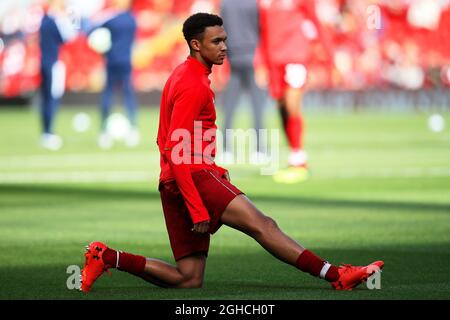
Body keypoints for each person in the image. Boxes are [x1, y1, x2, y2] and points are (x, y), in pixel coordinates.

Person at [80, 13, 383, 293]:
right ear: (196, 45)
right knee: (264, 226)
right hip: (193, 177)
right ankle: (337, 276)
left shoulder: (183, 74)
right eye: (217, 41)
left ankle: (107, 257)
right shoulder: (193, 85)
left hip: (174, 180)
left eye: (225, 39)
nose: (225, 47)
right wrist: (197, 206)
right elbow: (176, 149)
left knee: (188, 279)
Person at [258, 0, 333, 183]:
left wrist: (331, 59)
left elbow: (316, 22)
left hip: (295, 56)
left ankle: (299, 161)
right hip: (273, 61)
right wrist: (260, 62)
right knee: (282, 107)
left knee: (292, 104)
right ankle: (295, 157)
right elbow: (261, 31)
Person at [219, 0, 267, 164]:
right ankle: (260, 151)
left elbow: (221, 32)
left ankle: (226, 150)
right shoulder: (255, 4)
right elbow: (263, 30)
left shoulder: (225, 4)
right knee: (258, 107)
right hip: (254, 58)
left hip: (234, 58)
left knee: (229, 108)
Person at [92, 0, 140, 149]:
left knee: (108, 94)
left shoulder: (111, 19)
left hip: (112, 60)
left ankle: (104, 132)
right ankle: (133, 129)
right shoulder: (132, 20)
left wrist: (103, 49)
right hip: (126, 60)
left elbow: (93, 30)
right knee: (128, 94)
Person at [38, 0, 77, 150]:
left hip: (45, 62)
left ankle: (46, 132)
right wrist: (69, 18)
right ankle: (49, 132)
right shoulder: (54, 20)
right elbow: (69, 36)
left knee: (47, 98)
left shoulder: (44, 19)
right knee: (52, 98)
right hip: (53, 63)